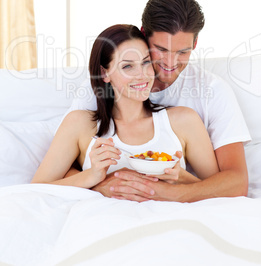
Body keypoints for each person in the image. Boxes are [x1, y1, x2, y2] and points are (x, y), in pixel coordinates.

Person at [59, 0, 251, 202]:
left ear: (195, 45)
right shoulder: (103, 85)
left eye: (182, 52)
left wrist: (169, 193)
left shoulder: (212, 91)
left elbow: (236, 182)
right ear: (143, 34)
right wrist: (101, 185)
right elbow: (65, 167)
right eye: (161, 49)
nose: (170, 63)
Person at [31, 24, 219, 192]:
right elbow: (36, 189)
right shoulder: (80, 124)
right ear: (105, 73)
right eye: (128, 66)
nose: (142, 75)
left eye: (146, 62)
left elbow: (219, 191)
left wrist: (182, 177)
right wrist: (93, 178)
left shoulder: (184, 121)